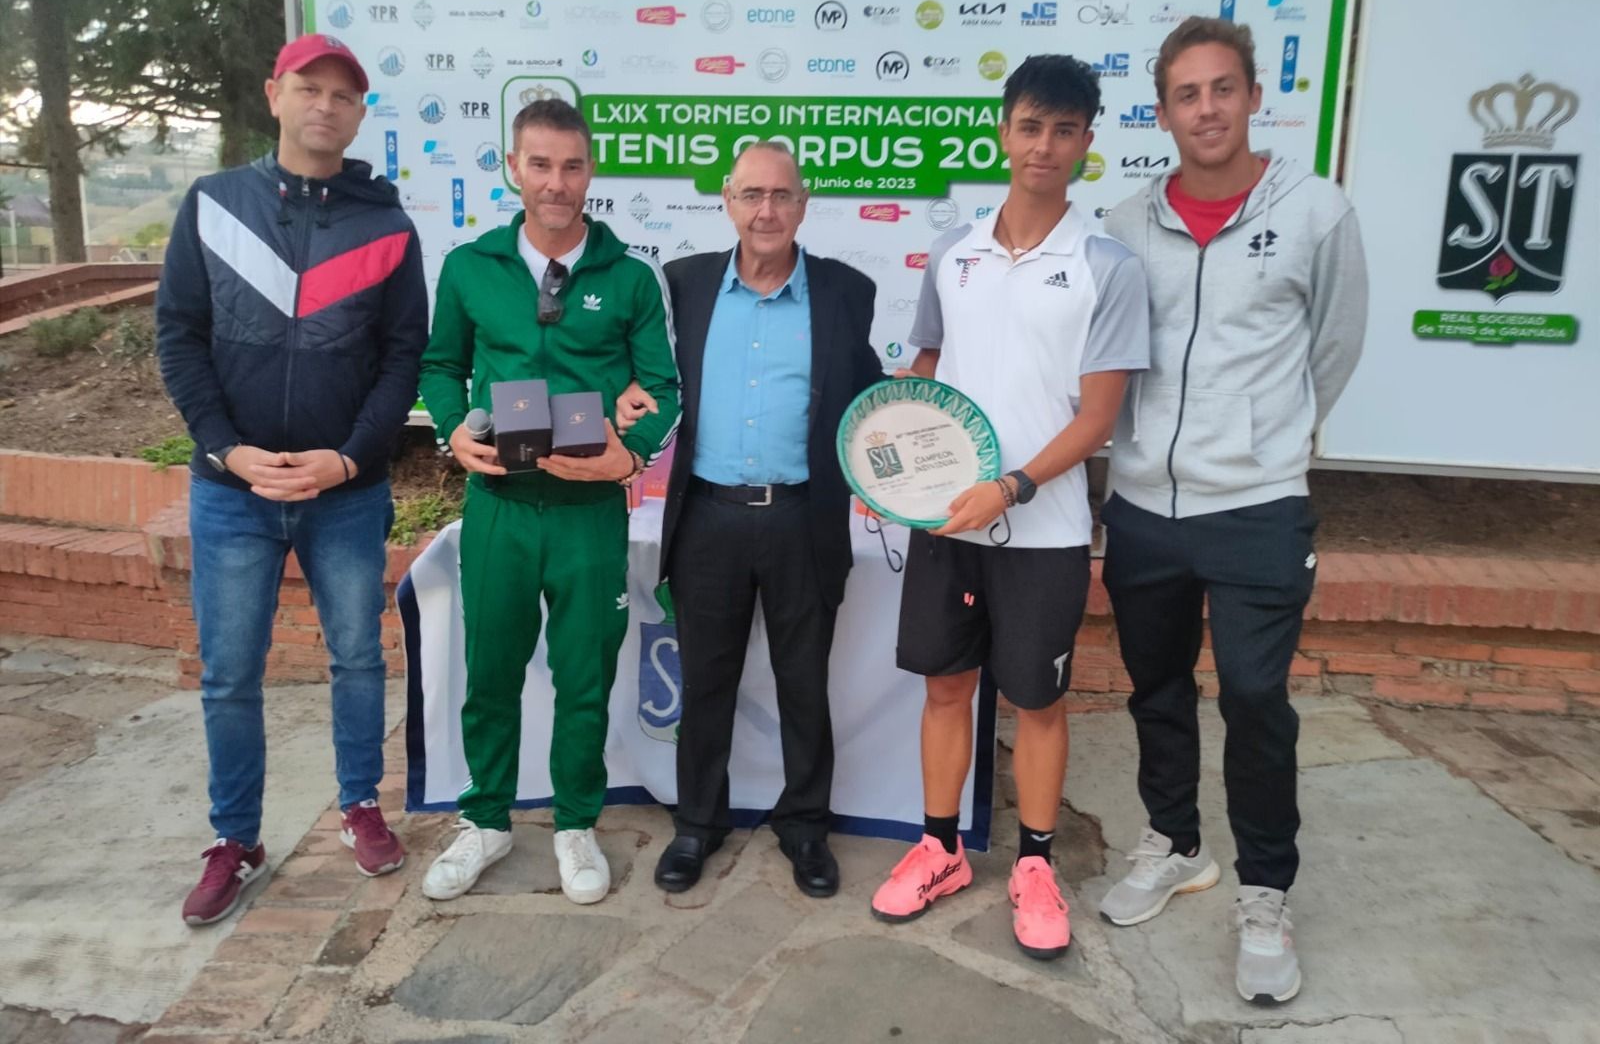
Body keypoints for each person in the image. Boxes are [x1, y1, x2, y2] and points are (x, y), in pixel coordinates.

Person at [1096, 17, 1368, 1005]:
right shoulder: (1123, 225)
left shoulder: (1316, 213)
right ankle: (1174, 843)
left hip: (1257, 505)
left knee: (1256, 699)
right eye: (1185, 94)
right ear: (1162, 110)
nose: (1204, 109)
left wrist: (1270, 441)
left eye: (1222, 89)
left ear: (1253, 96)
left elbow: (1331, 349)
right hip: (1143, 508)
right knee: (1155, 688)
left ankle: (1265, 890)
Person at [869, 55, 1150, 961]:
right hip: (950, 523)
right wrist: (894, 473)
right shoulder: (954, 252)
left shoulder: (1106, 266)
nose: (1045, 146)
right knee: (946, 686)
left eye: (1065, 131)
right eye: (1031, 126)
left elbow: (1098, 419)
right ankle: (940, 848)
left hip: (1048, 529)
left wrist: (1015, 485)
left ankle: (1034, 865)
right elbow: (923, 372)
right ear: (1003, 130)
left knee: (1037, 699)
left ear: (1087, 144)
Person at [157, 33, 428, 926]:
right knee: (230, 675)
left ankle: (360, 806)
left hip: (344, 496)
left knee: (357, 656)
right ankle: (235, 839)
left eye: (342, 95)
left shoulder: (387, 226)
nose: (324, 105)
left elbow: (402, 361)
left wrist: (349, 458)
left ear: (359, 115)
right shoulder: (213, 204)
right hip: (232, 492)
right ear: (274, 94)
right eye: (308, 88)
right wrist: (225, 450)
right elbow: (180, 339)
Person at [417, 97, 681, 906]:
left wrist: (627, 457)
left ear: (590, 169)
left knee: (584, 678)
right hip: (497, 508)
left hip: (588, 517)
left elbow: (661, 388)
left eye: (571, 166)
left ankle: (575, 824)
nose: (557, 183)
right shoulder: (470, 266)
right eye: (540, 164)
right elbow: (439, 367)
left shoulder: (630, 277)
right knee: (490, 672)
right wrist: (452, 427)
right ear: (512, 168)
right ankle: (486, 821)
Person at [617, 142, 883, 898]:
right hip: (707, 518)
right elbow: (643, 376)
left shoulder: (844, 293)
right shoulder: (684, 285)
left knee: (804, 683)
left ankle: (805, 825)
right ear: (728, 201)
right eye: (751, 194)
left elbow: (869, 401)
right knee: (706, 683)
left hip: (803, 517)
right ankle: (697, 824)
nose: (767, 210)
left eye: (783, 195)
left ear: (804, 203)